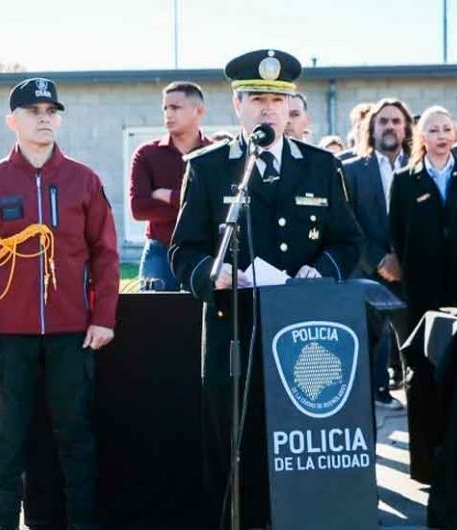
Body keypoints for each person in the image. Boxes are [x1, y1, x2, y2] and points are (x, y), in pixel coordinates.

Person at [169, 49, 363, 530]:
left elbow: (348, 239)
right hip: (232, 324)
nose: (268, 109)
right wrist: (209, 275)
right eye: (257, 98)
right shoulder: (210, 166)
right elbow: (183, 250)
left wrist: (323, 271)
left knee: (296, 445)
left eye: (278, 100)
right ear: (238, 105)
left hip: (303, 332)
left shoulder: (321, 166)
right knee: (234, 442)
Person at [0, 77, 119, 530]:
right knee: (8, 438)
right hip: (10, 334)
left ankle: (82, 522)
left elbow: (105, 254)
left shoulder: (83, 180)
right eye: (34, 111)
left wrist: (103, 316)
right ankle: (5, 520)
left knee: (75, 435)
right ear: (13, 121)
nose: (45, 118)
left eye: (52, 111)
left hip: (72, 332)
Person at [389, 106, 457, 328]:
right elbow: (397, 233)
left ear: (455, 134)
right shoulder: (404, 180)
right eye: (434, 130)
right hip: (424, 284)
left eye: (447, 129)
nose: (442, 135)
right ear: (422, 136)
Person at [343, 98, 414, 409]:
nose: (390, 126)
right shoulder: (351, 170)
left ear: (406, 128)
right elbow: (347, 222)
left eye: (396, 121)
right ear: (371, 128)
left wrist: (402, 260)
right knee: (372, 336)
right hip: (367, 268)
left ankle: (418, 395)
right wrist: (379, 260)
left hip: (410, 269)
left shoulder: (419, 166)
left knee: (413, 339)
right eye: (383, 121)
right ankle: (375, 393)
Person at [129, 81, 210, 291]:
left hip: (205, 252)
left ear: (199, 111)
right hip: (159, 251)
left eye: (175, 107)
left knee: (202, 321)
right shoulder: (146, 154)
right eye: (165, 108)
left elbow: (220, 207)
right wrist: (194, 206)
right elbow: (139, 209)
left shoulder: (215, 154)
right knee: (155, 319)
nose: (168, 114)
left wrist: (169, 196)